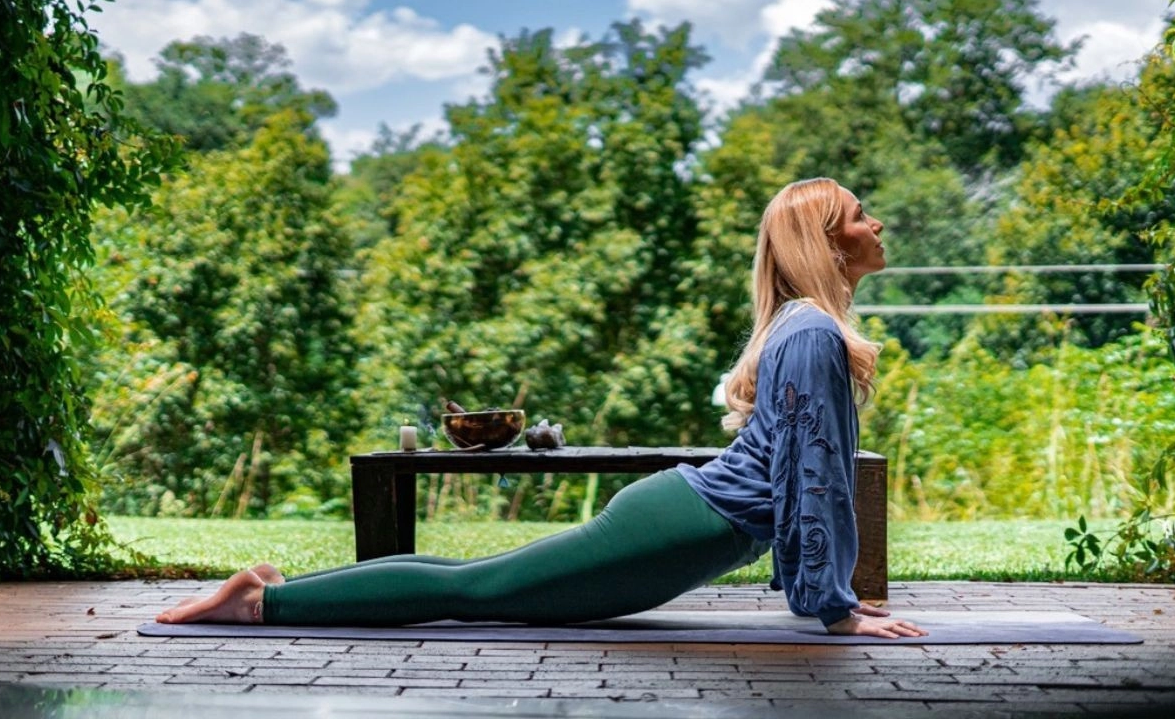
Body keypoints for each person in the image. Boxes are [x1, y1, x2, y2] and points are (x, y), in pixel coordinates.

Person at [157, 177, 925, 639]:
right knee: (476, 593)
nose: (876, 223)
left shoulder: (804, 329)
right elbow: (815, 479)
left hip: (683, 521)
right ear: (825, 244)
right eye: (860, 215)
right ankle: (262, 605)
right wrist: (835, 608)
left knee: (475, 578)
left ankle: (277, 592)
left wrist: (822, 596)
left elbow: (804, 476)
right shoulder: (815, 335)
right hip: (684, 529)